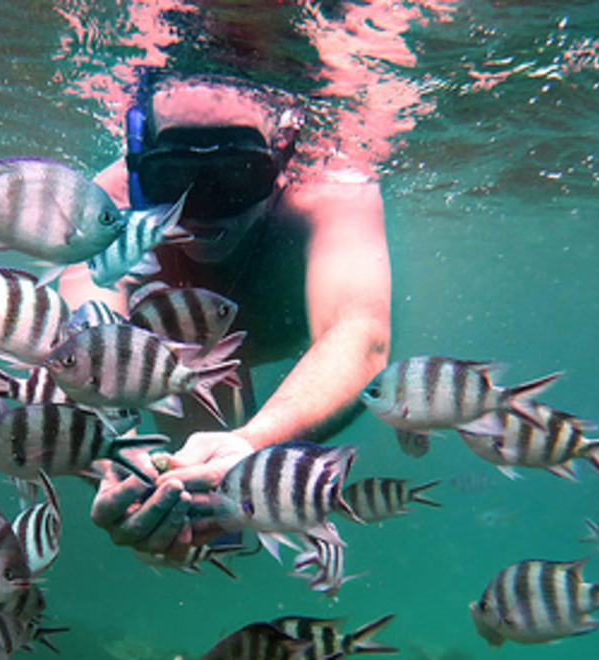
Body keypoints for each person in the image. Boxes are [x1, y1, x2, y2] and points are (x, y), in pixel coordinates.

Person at [58, 72, 391, 562]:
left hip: (185, 366)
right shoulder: (107, 209)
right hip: (171, 366)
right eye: (174, 177)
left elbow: (359, 333)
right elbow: (86, 345)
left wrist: (252, 443)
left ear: (282, 155)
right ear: (140, 163)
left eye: (239, 173)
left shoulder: (330, 188)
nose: (205, 207)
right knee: (182, 508)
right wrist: (114, 452)